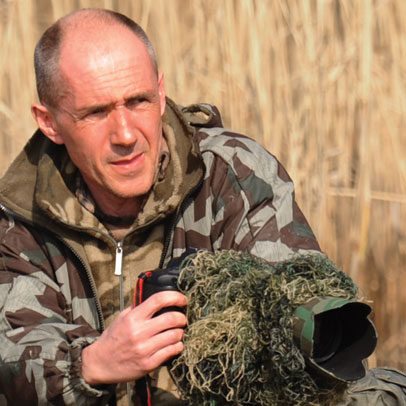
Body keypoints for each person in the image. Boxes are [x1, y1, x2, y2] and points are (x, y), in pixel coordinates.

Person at [0, 8, 404, 406]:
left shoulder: (232, 174)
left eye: (138, 101)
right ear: (49, 121)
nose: (125, 134)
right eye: (96, 112)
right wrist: (92, 364)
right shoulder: (20, 215)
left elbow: (299, 300)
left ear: (161, 93)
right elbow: (11, 357)